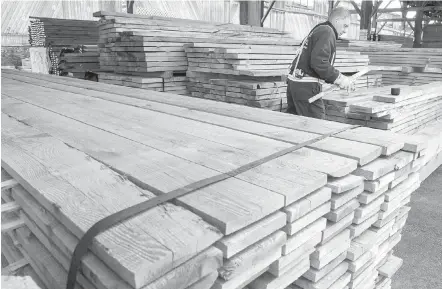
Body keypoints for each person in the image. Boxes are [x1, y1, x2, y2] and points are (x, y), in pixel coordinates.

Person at [286, 7, 354, 118]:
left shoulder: (318, 30)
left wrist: (336, 80)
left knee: (295, 125)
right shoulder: (327, 31)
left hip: (295, 83)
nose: (345, 31)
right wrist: (340, 78)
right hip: (306, 87)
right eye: (345, 25)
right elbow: (319, 62)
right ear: (337, 20)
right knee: (317, 127)